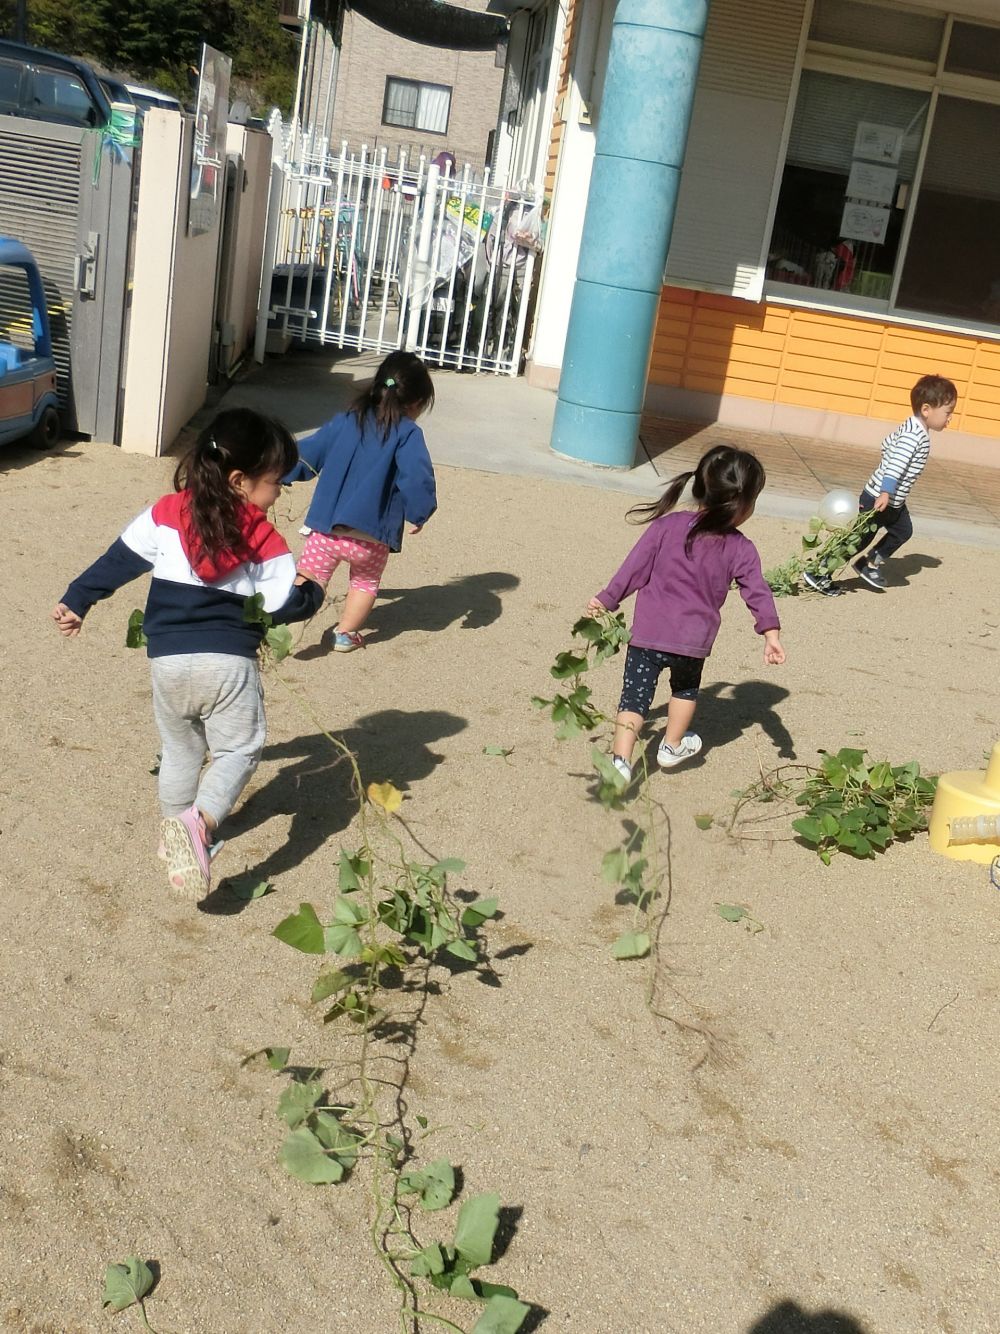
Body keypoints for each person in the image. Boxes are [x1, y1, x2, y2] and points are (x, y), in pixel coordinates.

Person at [52, 409, 324, 898]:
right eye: (275, 482)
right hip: (227, 663)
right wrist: (314, 592)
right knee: (239, 748)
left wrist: (78, 598)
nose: (279, 492)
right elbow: (280, 606)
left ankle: (173, 829)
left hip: (168, 660)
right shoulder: (262, 536)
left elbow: (118, 561)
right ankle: (199, 823)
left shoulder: (165, 512)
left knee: (181, 749)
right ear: (240, 480)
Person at [588, 446, 786, 781]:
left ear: (700, 487)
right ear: (743, 505)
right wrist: (771, 632)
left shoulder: (667, 527)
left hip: (647, 635)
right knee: (684, 691)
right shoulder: (741, 547)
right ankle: (672, 745)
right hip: (692, 643)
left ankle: (620, 761)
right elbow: (757, 591)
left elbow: (634, 568)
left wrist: (608, 598)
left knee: (634, 697)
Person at [284, 351, 437, 651]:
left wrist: (281, 471)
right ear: (417, 403)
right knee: (364, 583)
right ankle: (345, 634)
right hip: (372, 536)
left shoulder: (347, 420)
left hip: (328, 526)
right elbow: (416, 476)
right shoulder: (408, 434)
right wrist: (419, 512)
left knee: (311, 574)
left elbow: (310, 452)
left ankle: (289, 622)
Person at [803, 373, 957, 596]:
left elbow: (886, 445)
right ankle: (819, 572)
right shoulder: (914, 436)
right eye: (947, 413)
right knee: (857, 539)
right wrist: (885, 491)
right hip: (880, 498)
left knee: (903, 531)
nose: (949, 418)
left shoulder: (912, 428)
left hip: (894, 501)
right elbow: (895, 464)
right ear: (926, 409)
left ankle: (868, 563)